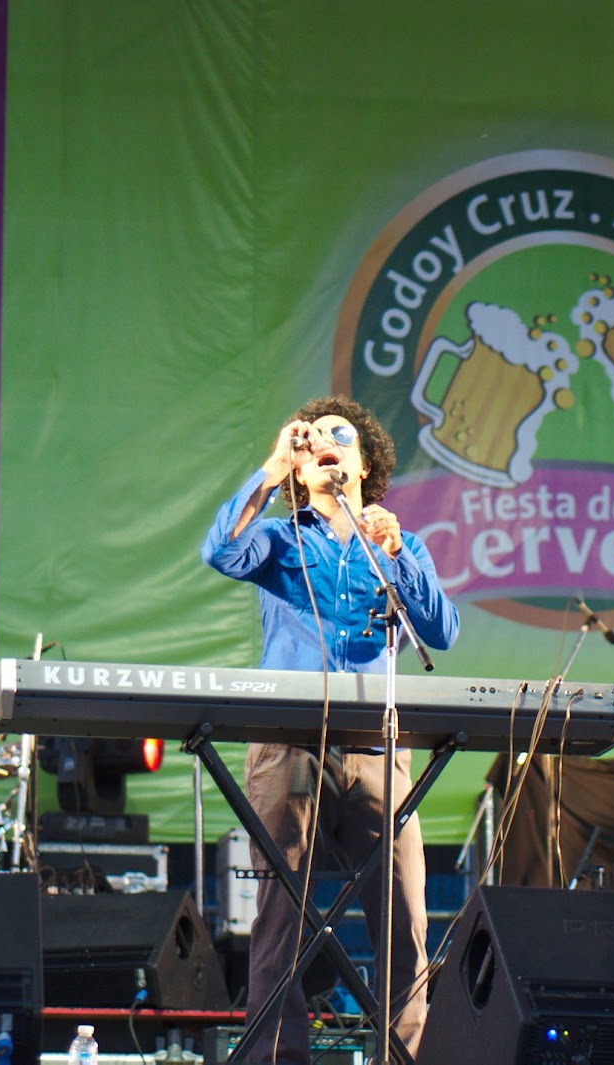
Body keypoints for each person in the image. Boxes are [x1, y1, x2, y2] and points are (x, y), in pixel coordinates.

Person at [202, 395, 460, 1063]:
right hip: (291, 744)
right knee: (280, 918)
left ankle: (400, 1057)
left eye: (340, 437)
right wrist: (270, 467)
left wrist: (398, 555)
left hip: (378, 746)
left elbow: (442, 632)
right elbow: (220, 552)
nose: (324, 444)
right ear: (301, 466)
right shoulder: (280, 538)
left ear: (365, 464)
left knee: (404, 923)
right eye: (311, 439)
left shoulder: (398, 545)